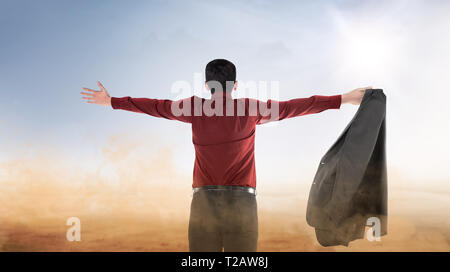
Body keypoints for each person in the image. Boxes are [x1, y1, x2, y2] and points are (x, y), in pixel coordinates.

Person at [80, 58, 370, 252]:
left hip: (204, 201)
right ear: (235, 86)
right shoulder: (250, 109)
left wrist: (112, 102)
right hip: (241, 202)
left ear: (207, 86)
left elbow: (156, 106)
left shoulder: (194, 107)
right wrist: (345, 98)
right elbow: (297, 106)